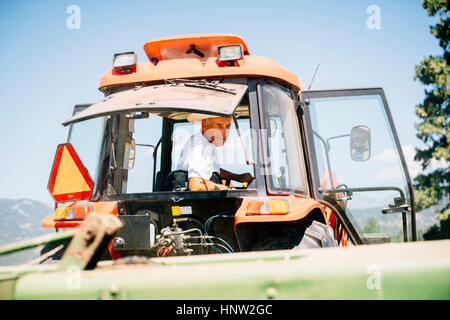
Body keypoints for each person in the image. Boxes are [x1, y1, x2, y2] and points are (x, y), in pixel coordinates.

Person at [176, 114, 254, 191]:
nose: (224, 132)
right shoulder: (200, 147)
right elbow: (196, 186)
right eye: (219, 126)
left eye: (227, 126)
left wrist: (237, 177)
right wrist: (228, 189)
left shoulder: (207, 142)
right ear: (204, 125)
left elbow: (211, 170)